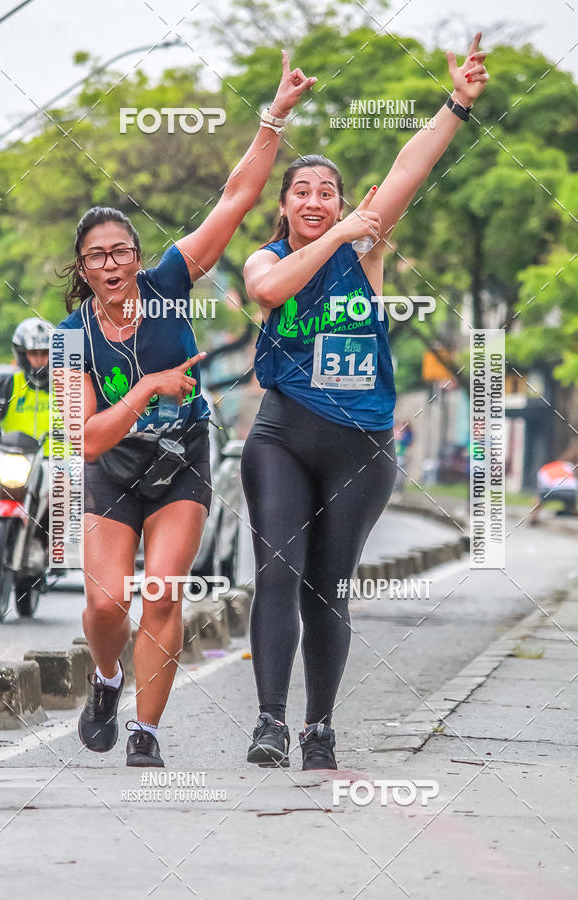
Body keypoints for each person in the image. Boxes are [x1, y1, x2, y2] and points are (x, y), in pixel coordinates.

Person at [55, 51, 316, 768]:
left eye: (122, 251)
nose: (112, 264)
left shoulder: (170, 279)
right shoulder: (70, 337)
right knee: (108, 607)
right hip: (114, 468)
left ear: (138, 257)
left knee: (164, 592)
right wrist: (145, 389)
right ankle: (106, 678)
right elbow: (84, 443)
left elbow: (235, 197)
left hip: (181, 463)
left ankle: (147, 731)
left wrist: (275, 117)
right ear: (82, 270)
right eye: (96, 256)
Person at [242, 34, 489, 770]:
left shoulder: (366, 250)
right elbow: (269, 293)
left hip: (363, 447)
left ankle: (319, 727)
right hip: (283, 437)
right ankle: (268, 724)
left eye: (329, 193)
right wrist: (341, 232)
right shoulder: (270, 258)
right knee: (278, 571)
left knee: (327, 585)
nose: (316, 201)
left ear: (345, 202)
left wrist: (457, 104)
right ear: (285, 209)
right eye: (302, 193)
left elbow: (409, 166)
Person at [0, 318, 52, 562]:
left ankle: (53, 544)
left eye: (45, 353)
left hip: (54, 462)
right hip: (10, 458)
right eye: (33, 353)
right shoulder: (9, 385)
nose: (40, 360)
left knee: (74, 485)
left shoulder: (68, 387)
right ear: (22, 354)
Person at [529, 441, 578, 525]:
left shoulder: (544, 469)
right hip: (571, 492)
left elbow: (542, 486)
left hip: (553, 491)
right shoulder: (567, 465)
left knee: (539, 496)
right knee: (569, 496)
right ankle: (571, 511)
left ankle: (534, 517)